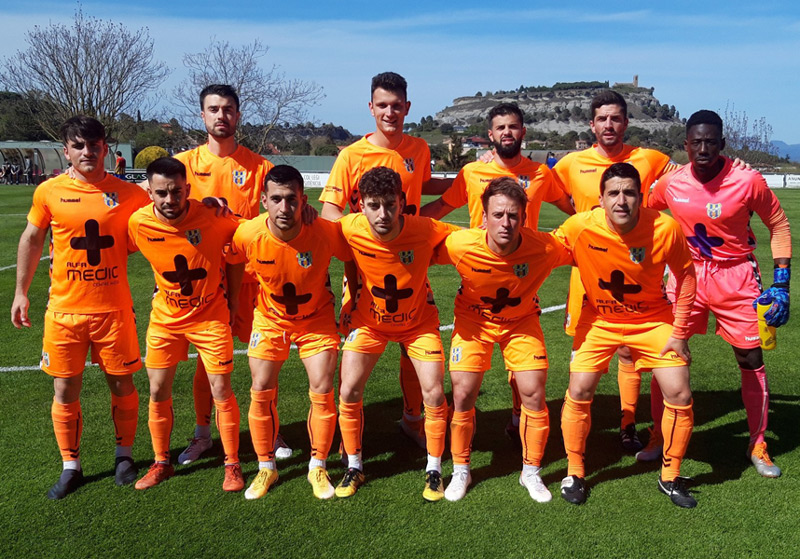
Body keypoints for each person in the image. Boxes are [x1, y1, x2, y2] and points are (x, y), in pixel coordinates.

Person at [648, 110, 791, 477]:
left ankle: (757, 442)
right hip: (685, 277)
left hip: (737, 276)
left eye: (711, 141)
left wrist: (782, 282)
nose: (703, 148)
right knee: (666, 355)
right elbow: (644, 217)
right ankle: (657, 436)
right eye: (696, 142)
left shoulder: (748, 180)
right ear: (685, 145)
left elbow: (777, 223)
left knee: (750, 358)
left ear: (722, 144)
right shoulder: (672, 183)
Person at [11, 116, 149, 499]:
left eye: (95, 145)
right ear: (67, 149)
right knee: (65, 389)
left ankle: (124, 457)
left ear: (106, 148)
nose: (88, 152)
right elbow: (33, 238)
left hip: (114, 310)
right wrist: (21, 292)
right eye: (79, 146)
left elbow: (166, 218)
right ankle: (70, 465)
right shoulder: (49, 191)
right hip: (64, 313)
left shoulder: (130, 194)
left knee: (122, 384)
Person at [422, 102, 574, 442]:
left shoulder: (540, 173)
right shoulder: (473, 172)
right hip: (479, 268)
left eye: (513, 126)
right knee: (473, 366)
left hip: (524, 270)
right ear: (491, 135)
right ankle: (475, 422)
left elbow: (569, 206)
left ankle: (519, 416)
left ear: (523, 132)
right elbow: (443, 206)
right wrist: (406, 219)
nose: (507, 132)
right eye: (501, 127)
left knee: (521, 360)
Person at [553, 162, 698, 508]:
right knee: (579, 388)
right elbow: (544, 250)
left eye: (630, 192)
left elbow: (687, 277)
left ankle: (671, 475)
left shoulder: (665, 229)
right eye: (613, 193)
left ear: (641, 197)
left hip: (652, 318)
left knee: (679, 391)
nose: (622, 200)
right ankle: (575, 471)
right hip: (599, 318)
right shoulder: (580, 226)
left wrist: (679, 334)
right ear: (600, 199)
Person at [320, 72, 452, 448]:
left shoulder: (419, 148)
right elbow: (330, 211)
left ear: (407, 107)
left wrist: (470, 178)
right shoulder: (351, 156)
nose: (390, 112)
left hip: (410, 266)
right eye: (382, 105)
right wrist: (364, 241)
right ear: (371, 108)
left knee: (415, 343)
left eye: (397, 105)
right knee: (357, 352)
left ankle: (412, 420)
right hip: (366, 270)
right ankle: (349, 439)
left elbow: (424, 186)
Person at [162, 84, 292, 464]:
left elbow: (279, 216)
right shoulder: (182, 164)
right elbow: (147, 206)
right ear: (202, 115)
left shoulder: (260, 167)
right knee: (206, 364)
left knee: (264, 360)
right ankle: (204, 434)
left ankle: (271, 428)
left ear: (238, 115)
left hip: (254, 280)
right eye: (214, 109)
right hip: (202, 282)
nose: (222, 115)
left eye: (229, 109)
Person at [551, 90, 679, 453]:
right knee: (584, 352)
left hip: (638, 268)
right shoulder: (571, 163)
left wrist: (735, 169)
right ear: (591, 124)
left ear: (626, 122)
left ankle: (627, 424)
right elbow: (540, 185)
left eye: (617, 118)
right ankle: (578, 435)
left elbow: (689, 182)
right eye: (603, 119)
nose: (610, 125)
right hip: (590, 272)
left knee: (628, 352)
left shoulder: (650, 159)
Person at [434, 177, 571, 502]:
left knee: (533, 394)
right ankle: (461, 470)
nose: (505, 223)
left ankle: (531, 472)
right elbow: (416, 244)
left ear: (524, 218)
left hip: (520, 323)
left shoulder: (545, 247)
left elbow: (588, 249)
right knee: (463, 392)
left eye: (512, 216)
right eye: (497, 215)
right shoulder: (460, 245)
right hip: (473, 323)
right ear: (483, 217)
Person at [229, 165, 354, 500]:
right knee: (261, 388)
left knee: (323, 387)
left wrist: (353, 297)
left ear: (303, 200)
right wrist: (231, 303)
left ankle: (318, 465)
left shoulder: (324, 232)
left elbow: (355, 256)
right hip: (269, 321)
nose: (285, 208)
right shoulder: (248, 233)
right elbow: (229, 259)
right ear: (263, 201)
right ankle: (265, 468)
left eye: (291, 200)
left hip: (316, 320)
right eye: (277, 199)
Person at [336, 166, 459, 501]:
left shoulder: (427, 228)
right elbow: (311, 233)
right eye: (374, 205)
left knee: (433, 393)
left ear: (402, 202)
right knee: (348, 390)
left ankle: (434, 469)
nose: (383, 214)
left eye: (390, 204)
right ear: (360, 205)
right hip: (369, 324)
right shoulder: (349, 228)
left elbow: (470, 241)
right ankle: (355, 465)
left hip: (418, 325)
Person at [128, 156, 245, 492]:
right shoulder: (138, 223)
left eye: (176, 192)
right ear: (148, 192)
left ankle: (232, 464)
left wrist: (234, 297)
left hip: (210, 318)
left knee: (221, 391)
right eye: (161, 193)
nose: (169, 200)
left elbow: (245, 236)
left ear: (187, 189)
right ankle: (162, 462)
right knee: (157, 390)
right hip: (165, 321)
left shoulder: (212, 216)